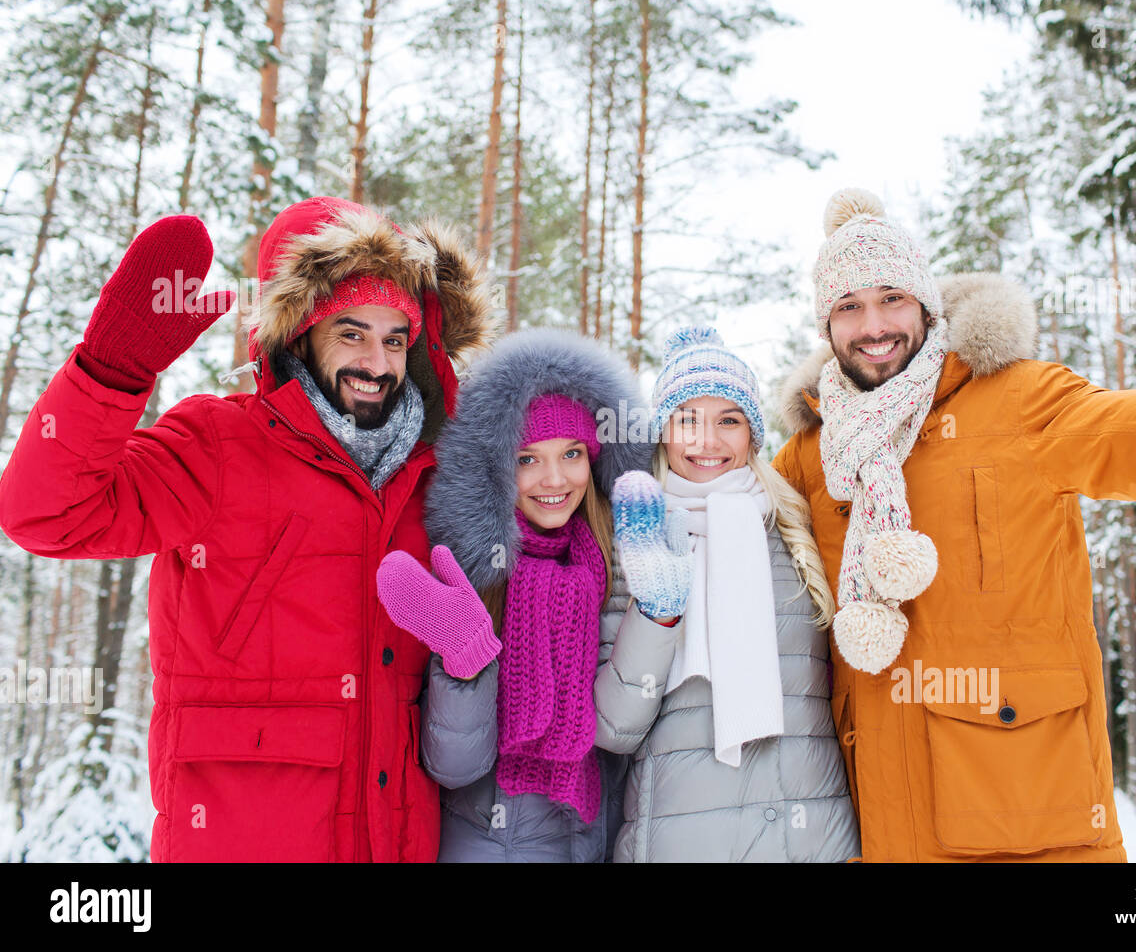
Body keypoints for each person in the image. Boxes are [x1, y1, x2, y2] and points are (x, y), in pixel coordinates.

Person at [772, 115, 1136, 861]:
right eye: (849, 306)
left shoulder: (1021, 401)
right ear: (826, 325)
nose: (874, 326)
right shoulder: (810, 454)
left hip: (1030, 828)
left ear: (926, 303)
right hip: (875, 830)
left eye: (892, 297)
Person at [0, 196, 491, 861]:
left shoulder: (435, 480)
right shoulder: (217, 445)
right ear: (296, 333)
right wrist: (109, 373)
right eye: (351, 332)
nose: (377, 362)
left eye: (394, 338)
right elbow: (48, 515)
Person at [376, 328, 651, 861]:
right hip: (489, 841)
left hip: (595, 838)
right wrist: (466, 659)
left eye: (572, 453)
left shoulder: (617, 568)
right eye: (528, 459)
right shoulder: (475, 576)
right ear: (499, 470)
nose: (555, 478)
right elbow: (455, 765)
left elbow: (627, 728)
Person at [594, 326, 860, 862]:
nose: (707, 441)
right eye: (687, 419)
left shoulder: (794, 531)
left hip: (814, 837)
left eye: (728, 421)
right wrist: (658, 611)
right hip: (685, 841)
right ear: (663, 432)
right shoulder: (635, 538)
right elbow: (614, 726)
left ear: (752, 435)